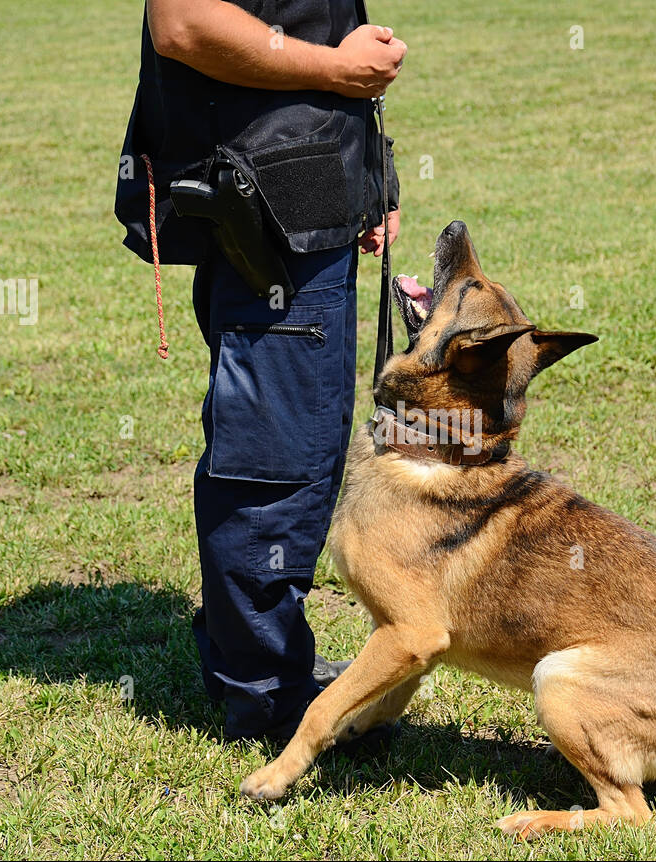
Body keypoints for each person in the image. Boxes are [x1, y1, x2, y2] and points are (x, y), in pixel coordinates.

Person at [116, 1, 406, 739]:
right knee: (275, 464)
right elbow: (181, 24)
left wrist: (367, 181)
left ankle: (247, 668)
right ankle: (269, 701)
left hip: (300, 195)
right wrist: (341, 70)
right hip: (271, 209)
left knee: (280, 449)